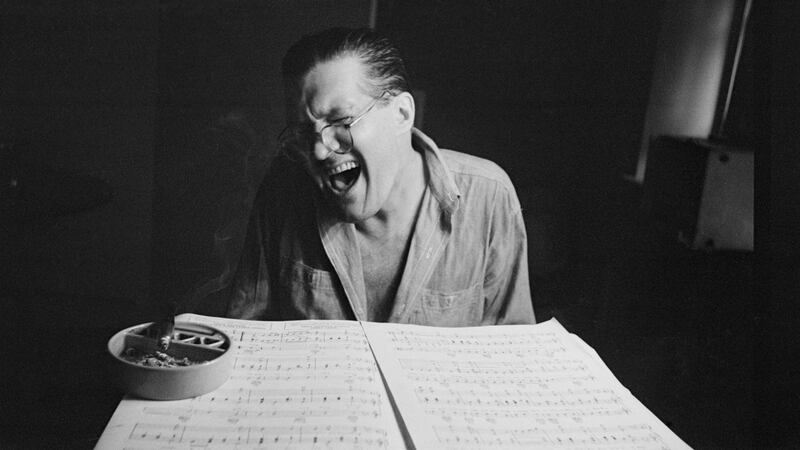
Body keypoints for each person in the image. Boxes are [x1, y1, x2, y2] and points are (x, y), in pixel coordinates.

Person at [225, 27, 534, 326]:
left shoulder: (488, 195)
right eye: (304, 132)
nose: (318, 151)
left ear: (402, 114)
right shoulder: (283, 191)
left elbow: (514, 345)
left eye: (341, 120)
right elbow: (244, 335)